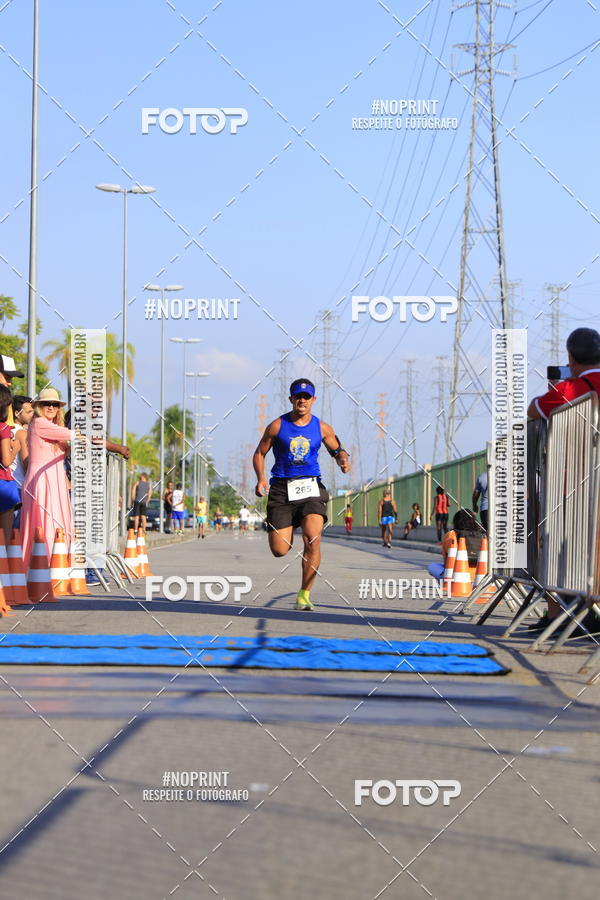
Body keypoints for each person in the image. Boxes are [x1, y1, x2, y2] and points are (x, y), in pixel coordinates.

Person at [253, 377, 350, 611]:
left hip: (310, 488)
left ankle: (304, 594)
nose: (302, 401)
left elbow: (337, 449)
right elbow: (259, 453)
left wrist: (342, 460)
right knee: (279, 550)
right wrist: (261, 479)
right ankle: (288, 523)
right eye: (298, 396)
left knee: (313, 539)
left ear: (313, 400)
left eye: (306, 397)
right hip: (281, 489)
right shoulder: (277, 426)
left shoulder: (322, 427)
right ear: (291, 399)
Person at [527, 327, 600, 631]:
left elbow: (534, 408)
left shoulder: (574, 388)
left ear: (570, 358)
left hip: (575, 481)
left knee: (557, 545)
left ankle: (560, 615)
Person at [20, 387, 78, 568]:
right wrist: (92, 437)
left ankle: (57, 565)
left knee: (57, 520)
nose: (51, 407)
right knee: (45, 522)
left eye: (55, 404)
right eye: (46, 404)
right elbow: (72, 435)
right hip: (42, 480)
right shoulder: (39, 423)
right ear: (39, 406)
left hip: (56, 479)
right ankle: (41, 565)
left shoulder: (53, 427)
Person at [427, 508, 482, 586]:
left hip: (454, 576)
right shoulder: (481, 535)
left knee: (432, 566)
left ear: (456, 521)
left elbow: (446, 559)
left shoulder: (451, 535)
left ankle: (444, 582)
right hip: (479, 577)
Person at [10, 395, 33, 528]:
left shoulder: (6, 430)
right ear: (17, 413)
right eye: (29, 411)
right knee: (16, 531)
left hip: (8, 482)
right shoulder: (22, 433)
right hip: (19, 486)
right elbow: (26, 462)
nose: (32, 415)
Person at [0, 386, 20, 545]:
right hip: (3, 483)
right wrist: (15, 449)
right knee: (5, 536)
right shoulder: (4, 428)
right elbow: (6, 461)